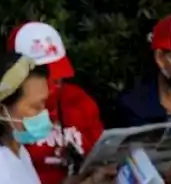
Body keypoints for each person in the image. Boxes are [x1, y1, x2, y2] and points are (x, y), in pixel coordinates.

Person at [0, 53, 113, 184]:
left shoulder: (14, 147)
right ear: (1, 111)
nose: (44, 114)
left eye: (44, 104)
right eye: (35, 107)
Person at [8, 22, 103, 184]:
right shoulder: (9, 116)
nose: (56, 80)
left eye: (58, 72)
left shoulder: (78, 101)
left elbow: (102, 154)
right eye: (45, 74)